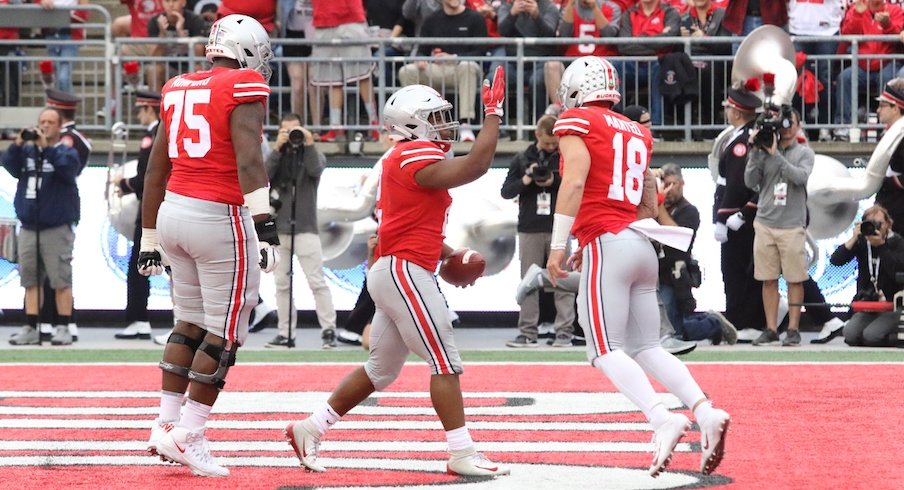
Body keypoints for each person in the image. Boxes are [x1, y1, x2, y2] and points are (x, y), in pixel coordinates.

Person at [284, 67, 510, 477]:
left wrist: (448, 253)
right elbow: (476, 166)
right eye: (436, 117)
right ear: (411, 123)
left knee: (380, 370)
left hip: (398, 266)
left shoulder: (404, 157)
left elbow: (407, 224)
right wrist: (492, 113)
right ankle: (461, 452)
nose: (444, 126)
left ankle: (309, 428)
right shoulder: (410, 153)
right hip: (403, 271)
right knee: (445, 361)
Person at [547, 56, 730, 477]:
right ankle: (704, 411)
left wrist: (561, 244)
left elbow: (574, 182)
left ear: (577, 89)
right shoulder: (635, 131)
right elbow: (647, 195)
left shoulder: (579, 122)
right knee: (647, 346)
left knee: (604, 349)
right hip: (641, 242)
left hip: (608, 244)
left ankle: (661, 416)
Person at [138, 14, 279, 477]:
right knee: (225, 331)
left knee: (190, 324)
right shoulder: (242, 85)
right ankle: (189, 435)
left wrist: (150, 235)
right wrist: (267, 225)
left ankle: (165, 424)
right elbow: (249, 162)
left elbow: (156, 168)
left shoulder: (177, 85)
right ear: (247, 50)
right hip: (218, 216)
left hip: (173, 211)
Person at [3, 109, 80, 346]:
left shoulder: (65, 151)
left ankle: (64, 326)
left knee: (61, 280)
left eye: (50, 123)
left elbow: (69, 171)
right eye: (42, 122)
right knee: (30, 280)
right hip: (29, 225)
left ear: (59, 127)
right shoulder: (27, 152)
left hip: (56, 226)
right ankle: (31, 326)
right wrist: (17, 145)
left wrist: (47, 148)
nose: (45, 126)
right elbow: (9, 165)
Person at [264, 113, 339, 349]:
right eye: (286, 131)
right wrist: (277, 148)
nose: (291, 136)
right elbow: (263, 178)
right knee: (281, 284)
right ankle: (285, 333)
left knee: (317, 282)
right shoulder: (275, 156)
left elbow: (316, 170)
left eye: (295, 130)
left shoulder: (311, 154)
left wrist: (308, 143)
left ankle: (329, 331)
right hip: (280, 229)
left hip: (306, 228)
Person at [501, 115, 576, 348]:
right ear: (537, 136)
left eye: (555, 144)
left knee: (563, 280)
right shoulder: (522, 158)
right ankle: (527, 332)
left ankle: (564, 332)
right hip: (530, 227)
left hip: (558, 226)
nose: (551, 148)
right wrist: (526, 179)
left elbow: (575, 185)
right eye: (547, 144)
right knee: (528, 281)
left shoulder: (566, 157)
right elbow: (506, 192)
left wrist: (553, 180)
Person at [745, 108, 814, 346]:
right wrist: (755, 151)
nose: (785, 127)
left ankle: (793, 328)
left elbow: (799, 178)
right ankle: (771, 328)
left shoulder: (804, 153)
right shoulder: (762, 151)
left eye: (790, 123)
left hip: (792, 224)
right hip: (765, 222)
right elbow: (750, 182)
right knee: (768, 278)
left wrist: (775, 156)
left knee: (795, 279)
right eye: (782, 124)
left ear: (798, 125)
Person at [655, 163, 737, 345]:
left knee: (673, 333)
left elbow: (677, 239)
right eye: (664, 184)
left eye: (672, 184)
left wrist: (659, 204)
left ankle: (712, 324)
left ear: (681, 183)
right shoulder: (652, 208)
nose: (668, 190)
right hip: (653, 272)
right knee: (656, 329)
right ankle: (708, 323)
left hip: (673, 276)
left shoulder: (688, 211)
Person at [712, 82, 767, 338]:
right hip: (735, 212)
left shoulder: (742, 142)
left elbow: (736, 184)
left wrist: (724, 216)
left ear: (736, 111)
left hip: (740, 217)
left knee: (738, 270)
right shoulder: (739, 136)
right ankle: (741, 318)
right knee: (734, 269)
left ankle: (746, 321)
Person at [398, 0, 486, 142]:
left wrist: (454, 58)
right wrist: (421, 59)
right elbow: (422, 50)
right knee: (407, 71)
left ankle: (466, 124)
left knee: (467, 65)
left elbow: (480, 51)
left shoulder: (475, 18)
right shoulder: (432, 20)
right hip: (436, 68)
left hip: (461, 69)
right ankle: (415, 124)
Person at [42, 88, 91, 342]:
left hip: (60, 205)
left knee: (59, 269)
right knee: (49, 269)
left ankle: (65, 320)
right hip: (48, 206)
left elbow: (70, 170)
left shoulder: (70, 140)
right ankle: (48, 320)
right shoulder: (67, 138)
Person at [113, 90, 162, 340]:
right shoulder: (159, 132)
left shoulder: (154, 135)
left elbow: (148, 176)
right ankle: (139, 318)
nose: (139, 115)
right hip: (158, 209)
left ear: (149, 110)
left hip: (152, 210)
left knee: (139, 266)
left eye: (140, 110)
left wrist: (124, 185)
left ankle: (138, 318)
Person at [830, 205, 904, 347]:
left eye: (879, 224)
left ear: (888, 224)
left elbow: (898, 271)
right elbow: (835, 261)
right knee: (849, 334)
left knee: (871, 336)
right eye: (870, 224)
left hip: (893, 305)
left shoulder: (897, 242)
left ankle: (896, 334)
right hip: (869, 306)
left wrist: (882, 246)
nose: (875, 228)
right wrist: (853, 239)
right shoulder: (863, 243)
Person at [832, 0, 903, 141]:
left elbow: (899, 37)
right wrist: (858, 15)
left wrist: (887, 23)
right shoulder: (855, 8)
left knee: (889, 82)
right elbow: (846, 35)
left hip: (887, 62)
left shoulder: (894, 10)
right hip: (863, 65)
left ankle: (887, 127)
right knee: (845, 78)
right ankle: (844, 127)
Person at [310, 0, 379, 142]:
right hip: (323, 21)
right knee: (333, 79)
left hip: (351, 18)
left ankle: (375, 125)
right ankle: (336, 128)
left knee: (363, 76)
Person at [612, 0, 681, 127]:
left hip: (658, 62)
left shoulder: (670, 12)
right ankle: (616, 122)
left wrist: (637, 40)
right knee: (614, 66)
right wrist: (657, 39)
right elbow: (623, 45)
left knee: (661, 68)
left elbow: (669, 41)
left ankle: (656, 126)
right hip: (632, 63)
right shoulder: (629, 13)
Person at [146, 0, 207, 92]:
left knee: (197, 68)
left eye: (175, 1)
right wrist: (162, 34)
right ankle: (156, 104)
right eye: (167, 1)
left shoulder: (195, 20)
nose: (170, 5)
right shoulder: (155, 21)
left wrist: (181, 33)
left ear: (183, 2)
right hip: (167, 67)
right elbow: (153, 57)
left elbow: (197, 56)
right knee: (153, 69)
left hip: (189, 66)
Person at [873, 79, 904, 236]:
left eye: (882, 105)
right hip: (887, 206)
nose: (878, 110)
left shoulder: (901, 135)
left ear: (895, 108)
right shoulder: (889, 134)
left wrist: (886, 181)